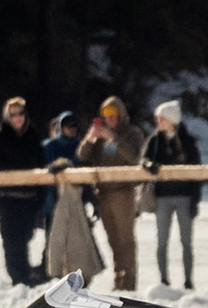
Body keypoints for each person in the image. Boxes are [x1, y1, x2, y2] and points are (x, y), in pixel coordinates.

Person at [75, 96, 146, 290]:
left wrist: (113, 138)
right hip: (103, 193)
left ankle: (129, 281)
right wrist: (91, 137)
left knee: (126, 239)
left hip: (124, 192)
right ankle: (119, 279)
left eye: (114, 114)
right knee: (113, 239)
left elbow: (133, 157)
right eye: (107, 115)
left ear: (121, 115)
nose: (111, 119)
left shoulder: (132, 133)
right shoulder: (99, 137)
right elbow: (82, 155)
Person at [140, 100, 202, 289]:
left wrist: (195, 199)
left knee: (186, 241)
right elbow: (143, 158)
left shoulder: (188, 141)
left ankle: (188, 279)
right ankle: (164, 279)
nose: (158, 121)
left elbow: (197, 171)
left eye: (162, 118)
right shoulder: (155, 140)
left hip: (184, 195)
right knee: (161, 241)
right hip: (162, 196)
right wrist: (148, 164)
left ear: (172, 120)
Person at [40, 112, 102, 284]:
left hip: (77, 199)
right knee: (54, 241)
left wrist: (94, 202)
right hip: (52, 200)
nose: (72, 129)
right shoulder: (49, 146)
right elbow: (41, 168)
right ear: (61, 127)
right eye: (68, 126)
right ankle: (54, 278)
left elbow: (86, 172)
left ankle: (82, 280)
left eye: (75, 126)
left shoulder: (80, 145)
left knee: (80, 241)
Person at [0, 98, 44, 286]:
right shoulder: (2, 136)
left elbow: (40, 164)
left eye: (20, 113)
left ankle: (25, 273)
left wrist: (40, 198)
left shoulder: (33, 135)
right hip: (7, 198)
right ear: (7, 116)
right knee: (11, 240)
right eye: (13, 114)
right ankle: (18, 277)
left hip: (29, 198)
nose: (17, 118)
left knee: (26, 236)